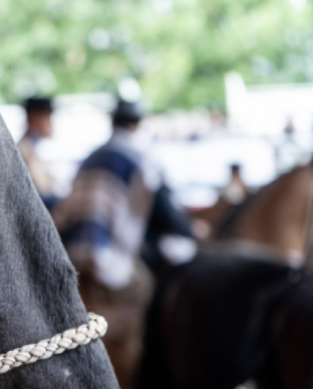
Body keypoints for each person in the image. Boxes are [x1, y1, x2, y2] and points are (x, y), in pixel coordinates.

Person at [52, 98, 195, 389]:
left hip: (73, 260)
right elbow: (167, 216)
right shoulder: (141, 156)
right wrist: (192, 235)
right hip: (110, 264)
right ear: (138, 124)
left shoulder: (91, 157)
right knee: (150, 291)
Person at [18, 97, 59, 210]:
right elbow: (39, 195)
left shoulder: (34, 149)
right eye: (47, 117)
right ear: (33, 118)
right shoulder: (22, 151)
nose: (51, 123)